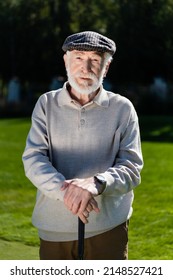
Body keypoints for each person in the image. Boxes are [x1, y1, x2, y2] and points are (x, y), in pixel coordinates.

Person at [22, 31, 143, 260]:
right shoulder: (46, 104)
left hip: (108, 228)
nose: (85, 67)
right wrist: (68, 191)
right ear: (66, 60)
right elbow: (34, 159)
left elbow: (132, 168)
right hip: (54, 228)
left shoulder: (123, 108)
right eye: (78, 57)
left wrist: (96, 184)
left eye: (95, 60)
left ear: (105, 67)